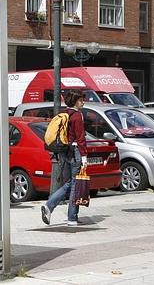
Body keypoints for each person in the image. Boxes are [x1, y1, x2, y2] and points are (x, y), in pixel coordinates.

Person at [41, 89, 88, 227]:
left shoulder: (64, 113)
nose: (83, 102)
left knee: (71, 183)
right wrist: (84, 156)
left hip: (64, 152)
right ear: (74, 101)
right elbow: (81, 138)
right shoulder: (77, 116)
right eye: (80, 100)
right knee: (75, 184)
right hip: (75, 152)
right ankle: (69, 216)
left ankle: (54, 207)